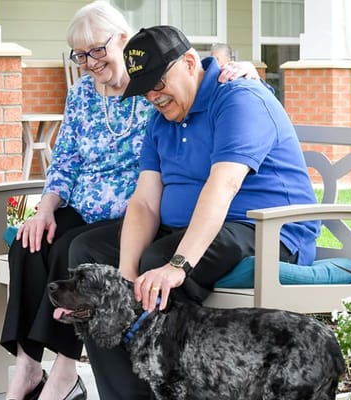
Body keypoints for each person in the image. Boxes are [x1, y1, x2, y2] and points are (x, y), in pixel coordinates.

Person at [1, 3, 261, 400]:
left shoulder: (154, 90)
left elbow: (215, 82)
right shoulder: (91, 95)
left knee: (79, 250)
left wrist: (253, 77)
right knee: (30, 242)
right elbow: (66, 159)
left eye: (97, 50)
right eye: (80, 55)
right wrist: (45, 208)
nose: (90, 62)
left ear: (123, 40)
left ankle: (73, 373)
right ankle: (29, 367)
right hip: (98, 207)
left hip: (133, 214)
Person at [67, 25, 320, 399]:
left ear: (188, 63)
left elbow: (224, 186)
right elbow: (145, 202)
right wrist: (121, 274)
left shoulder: (238, 98)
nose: (153, 96)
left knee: (158, 265)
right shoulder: (160, 118)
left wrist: (178, 264)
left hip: (266, 232)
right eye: (146, 89)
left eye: (159, 83)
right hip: (195, 229)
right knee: (89, 256)